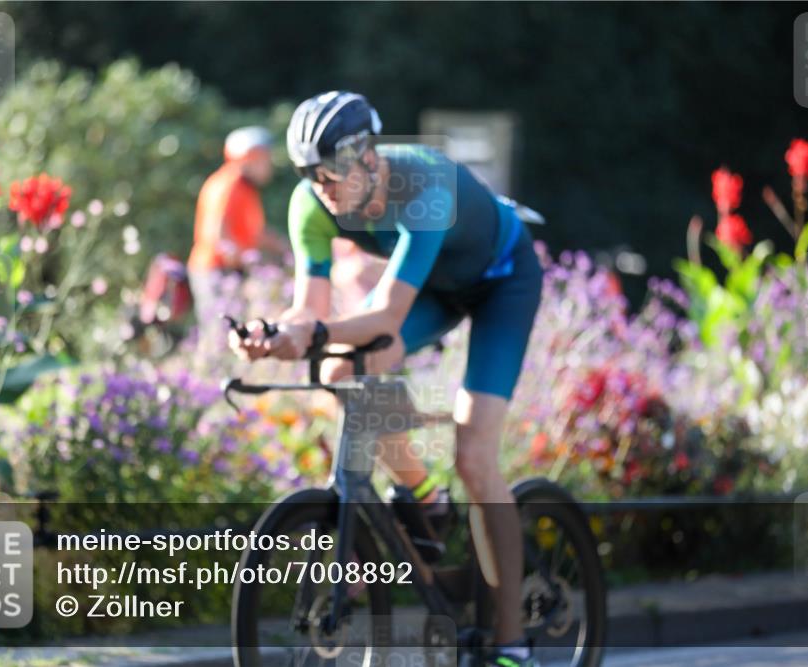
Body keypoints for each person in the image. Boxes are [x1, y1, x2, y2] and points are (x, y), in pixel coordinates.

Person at [229, 91, 543, 667]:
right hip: (438, 287)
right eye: (307, 174)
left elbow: (388, 319)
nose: (320, 187)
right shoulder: (310, 205)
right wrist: (271, 331)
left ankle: (511, 640)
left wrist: (314, 329)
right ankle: (423, 492)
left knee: (475, 455)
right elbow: (310, 308)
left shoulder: (422, 186)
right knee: (338, 367)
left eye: (330, 171)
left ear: (369, 158)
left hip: (503, 281)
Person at [186, 125, 287, 313]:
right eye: (266, 160)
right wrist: (247, 262)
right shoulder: (229, 185)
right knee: (219, 332)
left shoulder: (245, 188)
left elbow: (255, 232)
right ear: (250, 157)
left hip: (228, 271)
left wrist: (284, 247)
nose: (270, 166)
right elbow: (217, 234)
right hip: (216, 271)